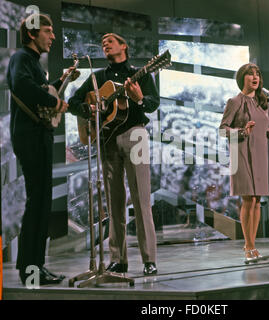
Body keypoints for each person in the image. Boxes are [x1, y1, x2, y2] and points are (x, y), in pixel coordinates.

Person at [68, 33, 159, 275]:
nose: (105, 45)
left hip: (135, 135)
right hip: (107, 138)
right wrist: (90, 109)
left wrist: (139, 99)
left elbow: (153, 103)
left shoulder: (142, 73)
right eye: (103, 43)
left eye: (110, 41)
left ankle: (149, 260)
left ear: (124, 46)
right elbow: (73, 101)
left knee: (141, 200)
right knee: (114, 202)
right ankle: (118, 259)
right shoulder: (98, 79)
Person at [7, 13, 78, 285]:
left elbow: (44, 92)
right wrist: (55, 103)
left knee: (40, 203)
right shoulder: (22, 58)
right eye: (48, 31)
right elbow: (23, 86)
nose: (53, 36)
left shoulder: (33, 62)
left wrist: (62, 82)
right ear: (33, 34)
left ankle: (35, 267)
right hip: (31, 136)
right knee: (38, 202)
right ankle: (30, 270)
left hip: (38, 135)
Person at [220, 63, 269, 261]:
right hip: (242, 153)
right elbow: (222, 130)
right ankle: (249, 247)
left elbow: (261, 130)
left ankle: (252, 244)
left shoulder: (262, 102)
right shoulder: (234, 101)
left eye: (257, 74)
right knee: (248, 199)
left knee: (257, 200)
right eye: (250, 74)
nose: (255, 77)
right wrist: (241, 131)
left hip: (260, 153)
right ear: (242, 78)